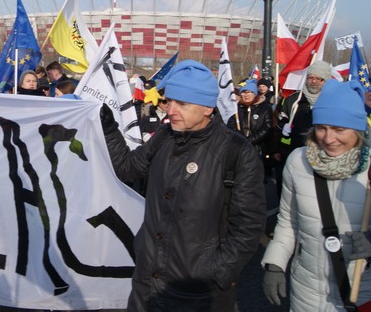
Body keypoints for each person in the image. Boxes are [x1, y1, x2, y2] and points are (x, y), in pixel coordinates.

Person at [100, 60, 266, 311]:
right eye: (170, 101)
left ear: (208, 108)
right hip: (147, 282)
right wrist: (108, 128)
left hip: (198, 291)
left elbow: (248, 225)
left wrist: (215, 273)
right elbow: (128, 168)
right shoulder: (165, 137)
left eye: (183, 104)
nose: (171, 110)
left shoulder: (236, 152)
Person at [262, 80, 371, 310]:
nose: (328, 139)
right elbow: (289, 222)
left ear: (358, 130)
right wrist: (275, 263)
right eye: (321, 128)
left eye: (340, 130)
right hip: (306, 291)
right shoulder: (298, 162)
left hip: (364, 290)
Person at [227, 79, 273, 177]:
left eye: (249, 92)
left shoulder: (265, 108)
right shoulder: (235, 108)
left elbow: (267, 127)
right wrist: (242, 139)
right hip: (239, 147)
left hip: (258, 148)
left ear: (255, 93)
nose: (246, 95)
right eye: (243, 92)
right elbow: (231, 125)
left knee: (256, 177)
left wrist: (250, 140)